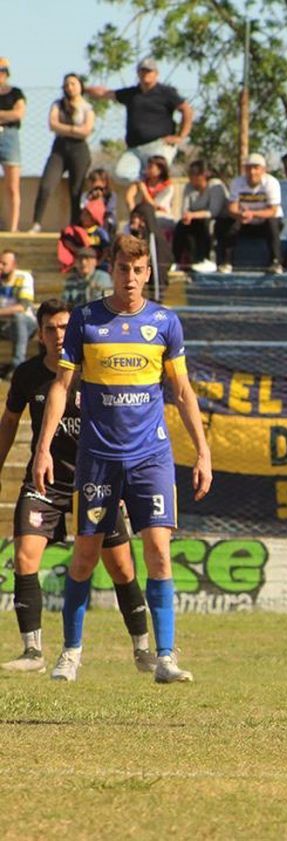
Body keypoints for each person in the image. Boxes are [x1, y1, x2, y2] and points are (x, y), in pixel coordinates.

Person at [33, 234, 211, 684]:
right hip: (98, 458)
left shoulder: (165, 323)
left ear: (148, 273)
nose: (129, 277)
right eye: (121, 269)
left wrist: (203, 452)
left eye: (137, 270)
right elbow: (61, 387)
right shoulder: (87, 321)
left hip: (151, 456)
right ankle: (71, 653)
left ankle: (165, 657)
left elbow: (183, 392)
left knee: (157, 553)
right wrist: (43, 448)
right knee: (84, 558)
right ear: (109, 270)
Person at [0, 300, 154, 674]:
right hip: (46, 481)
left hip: (97, 480)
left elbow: (122, 427)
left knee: (121, 567)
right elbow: (8, 424)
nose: (57, 335)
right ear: (39, 334)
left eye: (64, 327)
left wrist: (123, 480)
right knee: (25, 556)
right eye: (50, 329)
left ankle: (144, 648)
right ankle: (33, 651)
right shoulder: (27, 376)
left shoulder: (96, 371)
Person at [85, 58, 192, 183]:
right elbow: (105, 93)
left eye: (149, 71)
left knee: (156, 175)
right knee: (122, 175)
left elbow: (186, 110)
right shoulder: (132, 93)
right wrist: (82, 89)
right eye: (142, 71)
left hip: (158, 145)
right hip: (135, 149)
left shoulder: (166, 93)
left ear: (156, 74)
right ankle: (142, 184)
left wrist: (181, 136)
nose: (145, 74)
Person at [31, 73, 95, 232]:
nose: (70, 87)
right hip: (59, 148)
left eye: (73, 83)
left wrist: (66, 129)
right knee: (46, 185)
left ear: (80, 86)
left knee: (76, 190)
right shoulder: (58, 104)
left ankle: (74, 227)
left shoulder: (87, 107)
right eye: (67, 84)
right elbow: (52, 124)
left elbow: (86, 130)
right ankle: (36, 223)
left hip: (79, 150)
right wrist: (74, 129)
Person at [217, 152, 283, 274]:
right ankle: (226, 261)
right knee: (226, 222)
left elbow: (273, 211)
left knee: (273, 223)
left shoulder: (272, 183)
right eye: (249, 168)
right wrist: (240, 215)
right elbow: (232, 208)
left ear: (263, 170)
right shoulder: (237, 183)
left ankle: (276, 262)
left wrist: (252, 214)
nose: (252, 172)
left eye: (256, 168)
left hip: (265, 222)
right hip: (245, 222)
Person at [174, 159, 227, 273]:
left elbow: (214, 211)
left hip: (215, 219)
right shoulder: (189, 187)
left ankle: (206, 259)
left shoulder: (215, 185)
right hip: (194, 218)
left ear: (203, 175)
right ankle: (177, 261)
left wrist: (193, 215)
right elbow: (185, 208)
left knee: (206, 225)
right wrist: (187, 216)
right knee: (181, 226)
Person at [0, 58, 26, 232]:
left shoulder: (15, 92)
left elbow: (18, 113)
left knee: (12, 186)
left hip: (9, 136)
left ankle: (13, 227)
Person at [0, 249, 37, 368]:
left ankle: (17, 365)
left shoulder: (24, 277)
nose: (0, 266)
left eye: (4, 264)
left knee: (18, 317)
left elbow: (22, 306)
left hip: (27, 323)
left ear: (14, 265)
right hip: (4, 325)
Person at [123, 154, 175, 228]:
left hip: (161, 215)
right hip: (143, 214)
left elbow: (155, 206)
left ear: (160, 170)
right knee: (127, 227)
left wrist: (144, 191)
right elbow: (129, 196)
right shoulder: (144, 180)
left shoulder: (168, 186)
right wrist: (133, 213)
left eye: (150, 167)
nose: (147, 170)